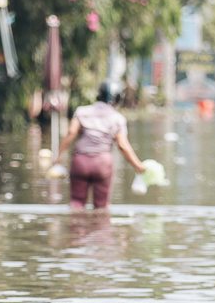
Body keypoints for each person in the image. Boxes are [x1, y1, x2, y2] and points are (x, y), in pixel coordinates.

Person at [53, 80, 149, 210]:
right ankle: (100, 229)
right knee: (101, 206)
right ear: (119, 98)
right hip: (102, 163)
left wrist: (58, 156)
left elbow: (71, 133)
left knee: (76, 203)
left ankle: (76, 230)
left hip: (80, 161)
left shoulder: (82, 111)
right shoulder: (118, 118)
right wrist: (138, 166)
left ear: (99, 95)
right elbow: (122, 145)